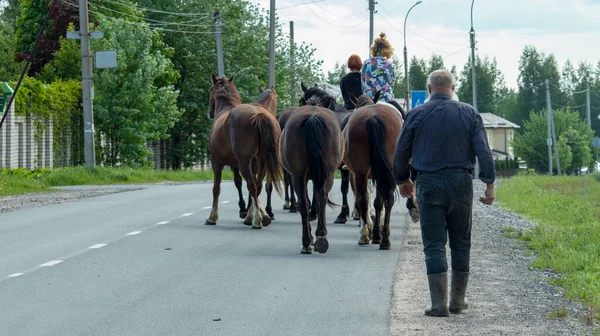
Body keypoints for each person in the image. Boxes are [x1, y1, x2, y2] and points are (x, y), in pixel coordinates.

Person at [392, 69, 495, 317]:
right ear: (453, 87)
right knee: (461, 243)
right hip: (461, 183)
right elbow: (484, 151)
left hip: (428, 183)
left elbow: (400, 153)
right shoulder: (469, 113)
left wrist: (402, 180)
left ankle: (438, 305)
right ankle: (458, 302)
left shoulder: (416, 114)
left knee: (434, 243)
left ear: (428, 89)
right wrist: (489, 183)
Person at [361, 32, 405, 118]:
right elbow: (391, 84)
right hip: (386, 98)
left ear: (373, 49)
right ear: (388, 50)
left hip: (368, 100)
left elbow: (363, 83)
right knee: (404, 117)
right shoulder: (389, 64)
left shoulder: (366, 63)